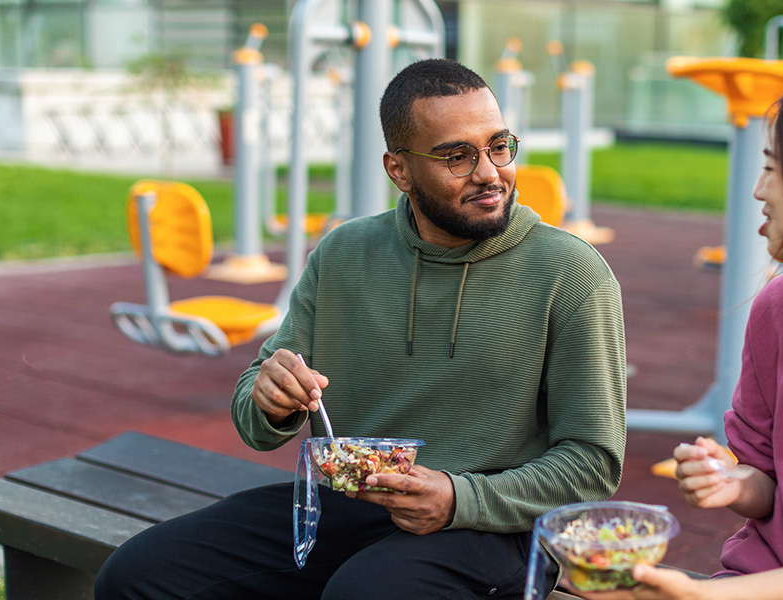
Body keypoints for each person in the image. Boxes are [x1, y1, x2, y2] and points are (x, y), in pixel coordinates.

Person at [94, 58, 626, 600]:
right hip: (352, 503)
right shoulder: (345, 253)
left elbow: (593, 464)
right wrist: (271, 398)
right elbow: (254, 421)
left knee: (365, 593)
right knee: (137, 574)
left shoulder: (571, 274)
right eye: (457, 156)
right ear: (398, 170)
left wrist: (457, 498)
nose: (489, 172)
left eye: (499, 145)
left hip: (497, 525)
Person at [577, 72, 783, 600]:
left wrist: (706, 597)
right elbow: (769, 483)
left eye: (772, 171)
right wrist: (731, 482)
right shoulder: (780, 307)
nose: (758, 190)